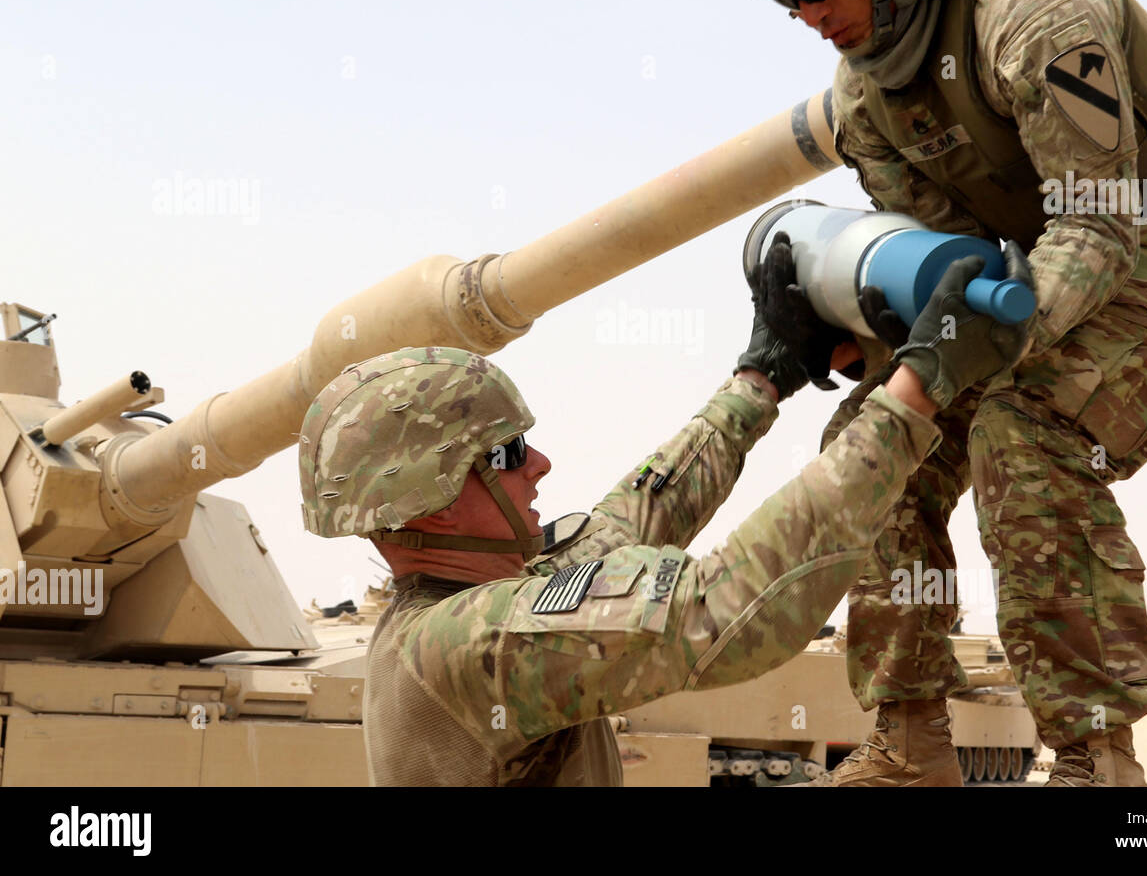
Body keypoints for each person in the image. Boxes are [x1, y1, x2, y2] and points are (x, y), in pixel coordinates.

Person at [705, 0, 1147, 786]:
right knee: (876, 438)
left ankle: (1097, 758)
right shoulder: (868, 101)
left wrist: (978, 344)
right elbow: (946, 260)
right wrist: (846, 335)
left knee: (1024, 429)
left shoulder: (1034, 3)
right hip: (1037, 266)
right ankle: (911, 741)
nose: (806, 11)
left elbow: (1097, 225)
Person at [296, 250, 1029, 785]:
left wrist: (762, 379)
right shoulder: (467, 645)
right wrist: (913, 392)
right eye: (507, 451)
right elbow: (727, 610)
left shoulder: (462, 597)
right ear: (441, 496)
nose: (539, 462)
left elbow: (635, 515)